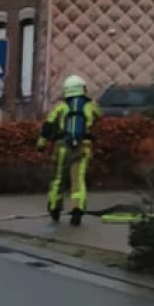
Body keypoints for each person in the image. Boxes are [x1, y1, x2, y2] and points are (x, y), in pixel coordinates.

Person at [37, 74, 102, 225]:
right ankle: (77, 209)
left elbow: (48, 125)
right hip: (83, 146)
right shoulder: (90, 106)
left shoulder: (61, 106)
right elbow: (100, 116)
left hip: (62, 147)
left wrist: (41, 143)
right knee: (78, 178)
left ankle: (54, 207)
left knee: (58, 178)